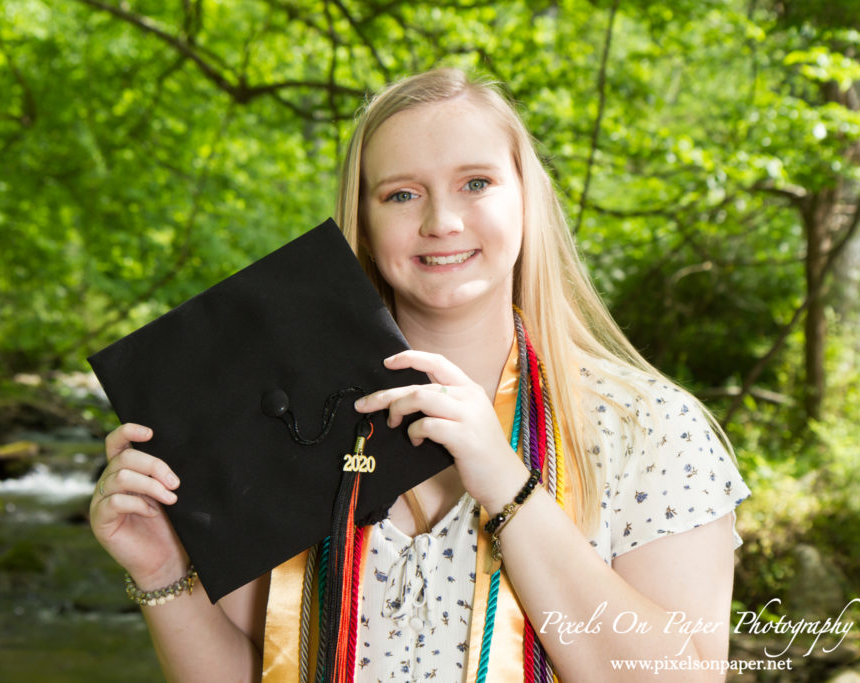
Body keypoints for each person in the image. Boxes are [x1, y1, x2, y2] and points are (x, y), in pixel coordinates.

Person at [89, 68, 750, 681]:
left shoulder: (649, 427)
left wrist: (507, 486)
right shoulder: (292, 419)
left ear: (526, 198)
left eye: (477, 183)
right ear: (366, 221)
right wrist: (163, 571)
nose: (442, 222)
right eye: (401, 193)